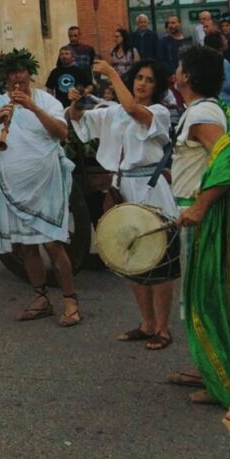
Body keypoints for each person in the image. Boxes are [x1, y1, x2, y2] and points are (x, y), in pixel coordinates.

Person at [169, 46, 230, 406]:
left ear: (187, 76)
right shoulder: (207, 108)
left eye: (179, 67)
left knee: (207, 300)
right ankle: (210, 366)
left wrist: (200, 205)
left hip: (207, 218)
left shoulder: (202, 113)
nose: (175, 71)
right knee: (209, 297)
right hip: (206, 214)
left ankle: (222, 383)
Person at [69, 58, 178, 350]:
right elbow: (79, 119)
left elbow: (132, 109)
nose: (142, 83)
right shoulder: (113, 111)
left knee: (159, 257)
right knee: (131, 258)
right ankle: (147, 324)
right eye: (139, 78)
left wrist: (111, 73)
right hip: (122, 188)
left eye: (149, 80)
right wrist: (76, 102)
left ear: (157, 87)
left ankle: (163, 328)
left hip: (151, 190)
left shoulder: (158, 113)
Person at [0, 49, 81, 327]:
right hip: (12, 186)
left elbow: (61, 133)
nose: (17, 77)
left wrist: (33, 108)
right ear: (5, 78)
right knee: (26, 245)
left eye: (21, 71)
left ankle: (70, 300)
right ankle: (41, 298)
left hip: (45, 184)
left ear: (30, 74)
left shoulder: (47, 101)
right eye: (12, 73)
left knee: (52, 243)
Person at [204, 30, 230, 113]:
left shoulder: (206, 62)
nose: (227, 41)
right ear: (220, 46)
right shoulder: (223, 63)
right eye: (224, 40)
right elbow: (228, 84)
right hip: (227, 102)